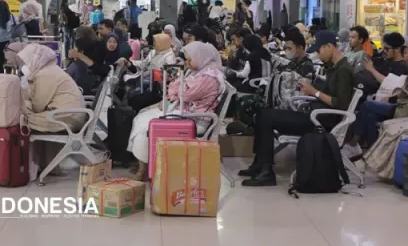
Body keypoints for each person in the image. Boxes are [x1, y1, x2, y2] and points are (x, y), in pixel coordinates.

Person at [241, 31, 354, 186]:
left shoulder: (343, 70)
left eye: (319, 50)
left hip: (321, 121)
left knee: (267, 117)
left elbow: (340, 103)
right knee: (262, 114)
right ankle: (260, 164)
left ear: (329, 46)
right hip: (315, 115)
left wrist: (313, 92)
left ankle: (266, 171)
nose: (318, 54)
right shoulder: (334, 67)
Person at [127, 42, 225, 180]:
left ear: (201, 57)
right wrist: (176, 87)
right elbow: (176, 85)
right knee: (141, 116)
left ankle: (144, 168)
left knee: (146, 126)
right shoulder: (199, 71)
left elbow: (183, 93)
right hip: (185, 110)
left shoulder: (209, 77)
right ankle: (144, 161)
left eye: (190, 59)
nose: (187, 62)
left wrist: (175, 88)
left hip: (194, 118)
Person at [343, 37, 408, 156]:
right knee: (370, 113)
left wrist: (389, 98)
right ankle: (372, 149)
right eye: (405, 52)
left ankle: (356, 143)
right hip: (404, 104)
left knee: (368, 105)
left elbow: (407, 93)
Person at [18, 44, 87, 133]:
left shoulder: (44, 74)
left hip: (66, 119)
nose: (26, 65)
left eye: (27, 61)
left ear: (35, 60)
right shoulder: (50, 69)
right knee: (25, 108)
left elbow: (38, 107)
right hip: (73, 115)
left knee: (21, 116)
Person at [120, 33, 177, 113]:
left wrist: (153, 73)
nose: (154, 44)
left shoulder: (170, 56)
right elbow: (143, 64)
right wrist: (129, 62)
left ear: (162, 42)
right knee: (128, 87)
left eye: (156, 42)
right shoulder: (153, 52)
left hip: (158, 88)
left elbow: (171, 76)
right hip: (147, 81)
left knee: (135, 99)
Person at [0, 0, 16, 74]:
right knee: (9, 60)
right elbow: (14, 29)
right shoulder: (11, 17)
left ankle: (1, 76)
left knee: (0, 62)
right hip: (9, 42)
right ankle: (8, 75)